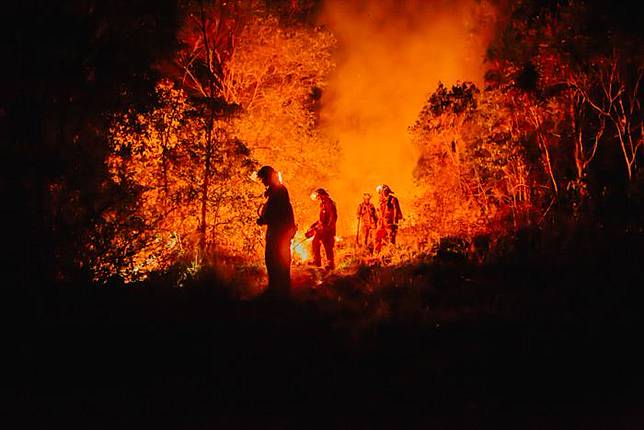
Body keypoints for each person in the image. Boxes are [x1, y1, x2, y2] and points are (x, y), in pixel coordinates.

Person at [256, 165, 296, 297]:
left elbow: (276, 212)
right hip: (279, 231)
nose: (263, 182)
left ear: (268, 176)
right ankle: (278, 290)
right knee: (274, 260)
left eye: (263, 179)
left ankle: (279, 292)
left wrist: (264, 219)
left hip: (279, 232)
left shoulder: (278, 191)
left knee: (276, 260)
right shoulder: (277, 190)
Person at [310, 188, 337, 270]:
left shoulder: (330, 204)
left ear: (322, 195)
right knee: (315, 242)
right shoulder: (322, 204)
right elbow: (321, 219)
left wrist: (328, 228)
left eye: (318, 197)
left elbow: (333, 218)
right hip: (322, 229)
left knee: (328, 246)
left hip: (328, 230)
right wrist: (314, 225)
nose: (318, 199)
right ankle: (317, 261)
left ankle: (330, 264)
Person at [375, 184, 403, 252]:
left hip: (389, 223)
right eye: (380, 192)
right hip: (381, 223)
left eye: (383, 191)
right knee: (377, 237)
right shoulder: (380, 200)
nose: (381, 193)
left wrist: (395, 222)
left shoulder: (393, 199)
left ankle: (392, 253)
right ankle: (376, 253)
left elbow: (396, 210)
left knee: (391, 238)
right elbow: (379, 211)